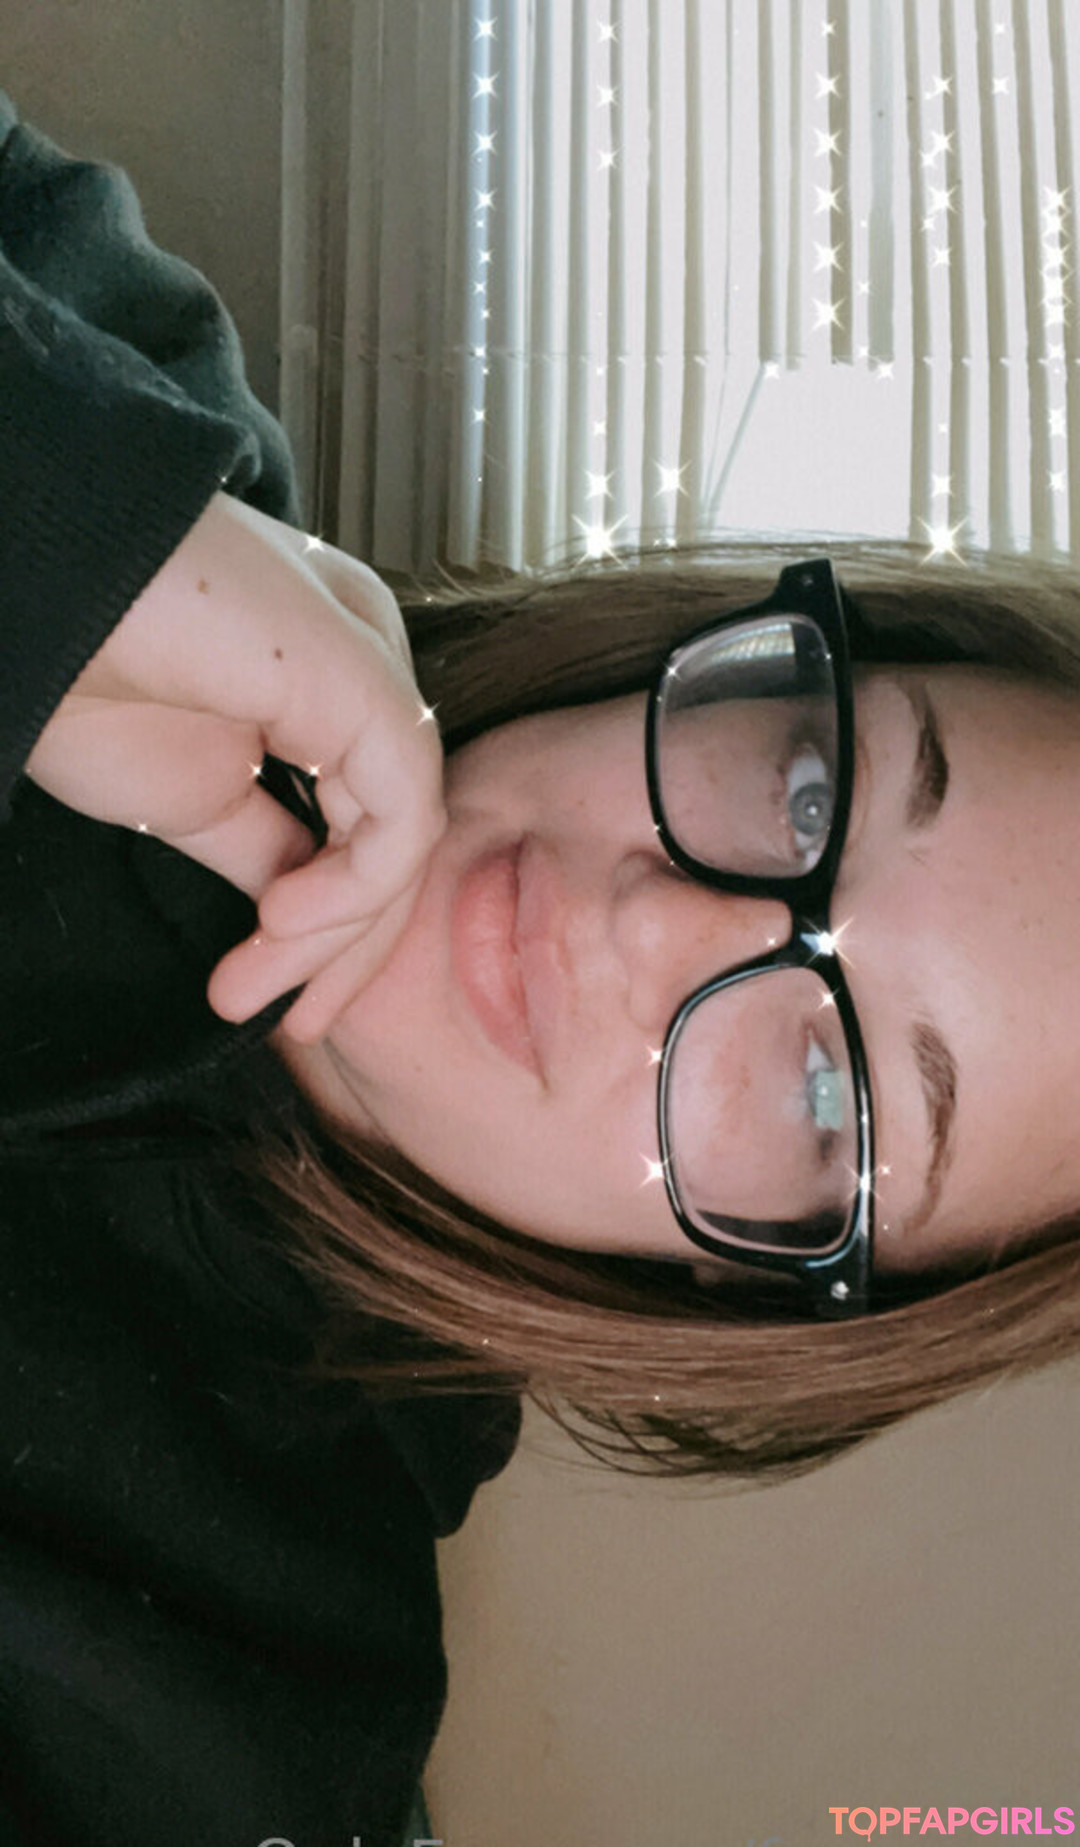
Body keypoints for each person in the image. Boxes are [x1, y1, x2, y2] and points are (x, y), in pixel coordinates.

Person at [3, 85, 1080, 1844]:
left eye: (828, 1091)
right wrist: (52, 515)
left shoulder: (244, 1682)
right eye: (808, 787)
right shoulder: (111, 361)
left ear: (742, 1298)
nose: (657, 923)